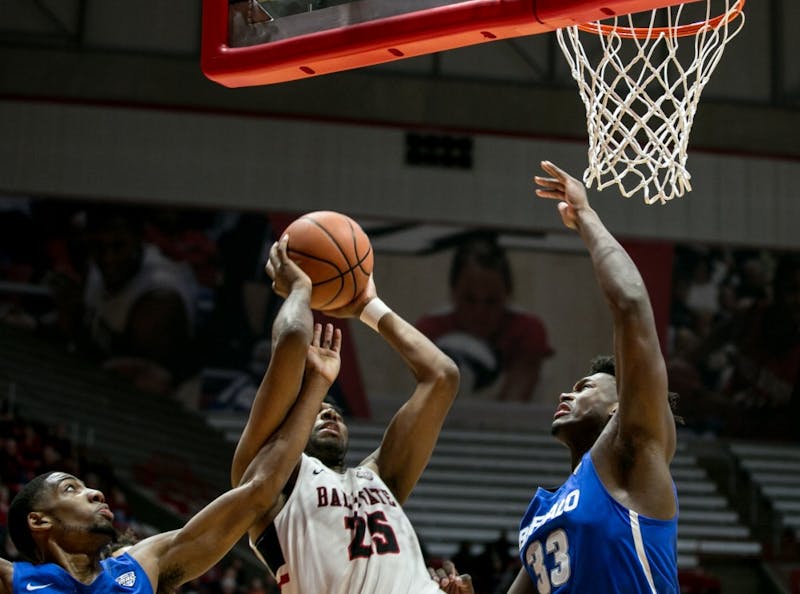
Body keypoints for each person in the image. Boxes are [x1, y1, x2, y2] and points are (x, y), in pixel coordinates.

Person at [0, 241, 343, 594]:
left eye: (85, 484)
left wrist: (316, 384)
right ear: (38, 521)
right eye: (71, 489)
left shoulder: (146, 563)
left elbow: (258, 491)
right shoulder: (13, 581)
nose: (96, 492)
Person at [433, 160, 679, 593]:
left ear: (621, 406)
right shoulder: (544, 514)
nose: (568, 391)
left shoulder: (637, 451)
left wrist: (586, 217)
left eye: (585, 387)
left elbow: (631, 305)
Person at [232, 236, 461, 592]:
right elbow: (293, 335)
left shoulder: (379, 477)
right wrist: (300, 290)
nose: (329, 414)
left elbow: (441, 377)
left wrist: (368, 305)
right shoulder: (266, 481)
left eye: (334, 411)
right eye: (317, 410)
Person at [416, 234, 553, 402]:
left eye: (492, 301)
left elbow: (514, 402)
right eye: (469, 299)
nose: (479, 312)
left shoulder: (527, 331)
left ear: (507, 295)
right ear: (453, 293)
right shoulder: (430, 330)